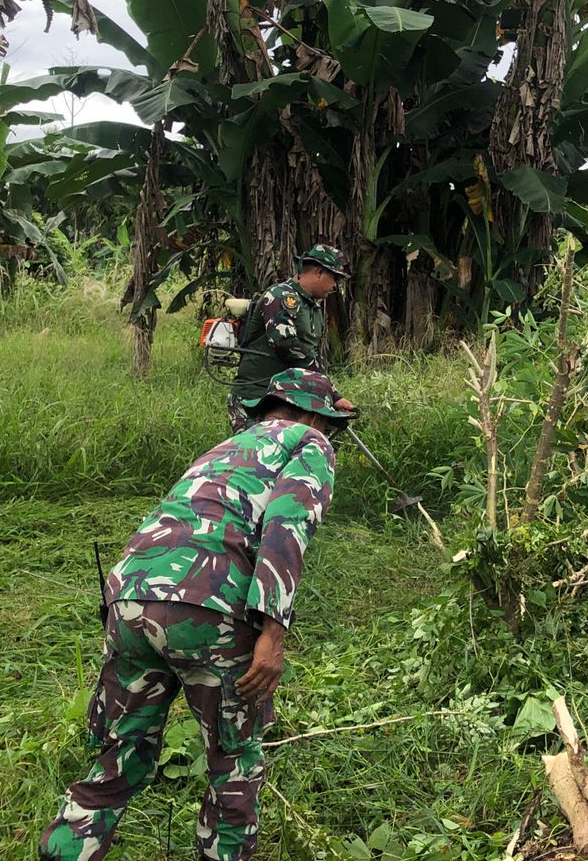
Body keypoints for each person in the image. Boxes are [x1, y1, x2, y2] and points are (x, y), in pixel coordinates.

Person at [38, 369, 350, 861]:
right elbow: (286, 527)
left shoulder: (229, 447)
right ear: (313, 413)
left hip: (129, 601)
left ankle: (65, 850)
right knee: (233, 767)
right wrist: (273, 633)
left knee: (118, 758)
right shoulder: (309, 441)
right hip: (209, 611)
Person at [229, 244, 355, 432]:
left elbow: (311, 357)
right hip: (255, 398)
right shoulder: (280, 296)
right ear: (319, 272)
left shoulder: (313, 310)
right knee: (256, 455)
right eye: (334, 277)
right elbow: (285, 345)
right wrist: (328, 392)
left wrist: (334, 396)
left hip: (285, 400)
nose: (335, 285)